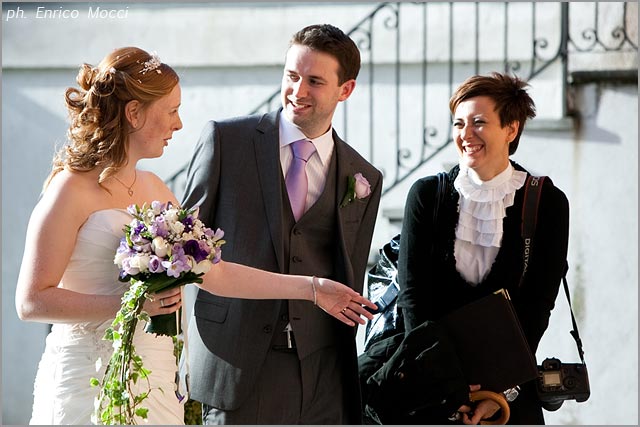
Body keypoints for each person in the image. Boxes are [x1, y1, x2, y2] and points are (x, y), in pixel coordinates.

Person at [14, 46, 376, 426]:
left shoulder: (157, 191)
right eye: (171, 111)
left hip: (153, 381)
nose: (179, 124)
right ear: (134, 113)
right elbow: (32, 302)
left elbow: (215, 273)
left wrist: (313, 287)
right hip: (86, 376)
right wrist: (134, 306)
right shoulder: (70, 190)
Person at [181, 24, 383, 424]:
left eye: (314, 81)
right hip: (238, 362)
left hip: (323, 374)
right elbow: (185, 251)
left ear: (346, 90)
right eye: (292, 76)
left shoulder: (363, 177)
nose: (298, 91)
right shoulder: (226, 140)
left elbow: (350, 272)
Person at [397, 72, 569, 425]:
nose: (465, 134)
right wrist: (445, 383)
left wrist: (499, 390)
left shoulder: (547, 202)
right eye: (459, 123)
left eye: (479, 122)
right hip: (433, 389)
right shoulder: (427, 196)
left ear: (511, 129)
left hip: (507, 393)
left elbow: (538, 305)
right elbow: (413, 296)